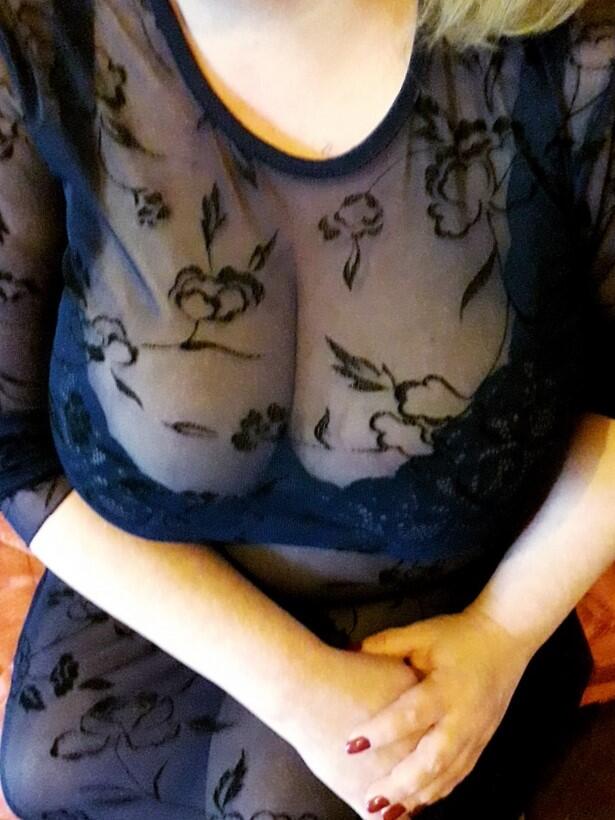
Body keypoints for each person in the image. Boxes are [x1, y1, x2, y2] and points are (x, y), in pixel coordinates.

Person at [0, 0, 613, 817]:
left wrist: (503, 632)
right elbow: (13, 448)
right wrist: (291, 685)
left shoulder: (575, 52)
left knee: (288, 803)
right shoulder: (34, 36)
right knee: (53, 769)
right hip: (170, 576)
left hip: (457, 603)